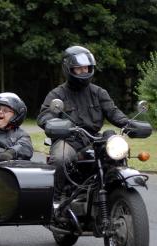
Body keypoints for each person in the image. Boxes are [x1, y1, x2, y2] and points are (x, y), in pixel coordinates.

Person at [36, 45, 130, 202]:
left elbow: (113, 112)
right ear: (68, 69)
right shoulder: (57, 94)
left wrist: (129, 123)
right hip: (68, 140)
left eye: (86, 68)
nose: (84, 72)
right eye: (79, 69)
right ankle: (56, 199)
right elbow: (44, 116)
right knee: (61, 159)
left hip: (93, 140)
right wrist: (54, 124)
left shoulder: (99, 93)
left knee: (117, 153)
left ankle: (115, 191)